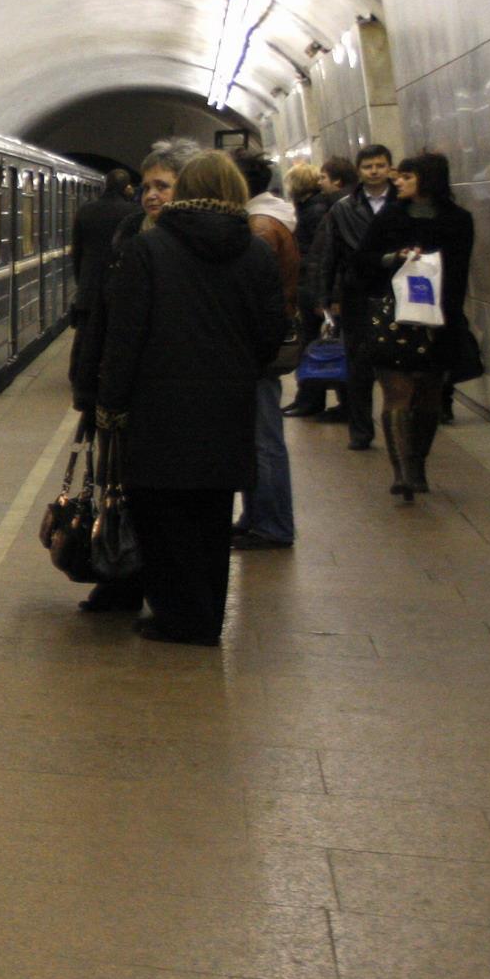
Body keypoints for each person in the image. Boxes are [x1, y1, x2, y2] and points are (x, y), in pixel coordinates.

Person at [96, 151, 285, 644]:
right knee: (211, 515)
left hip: (158, 406)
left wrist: (111, 402)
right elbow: (271, 334)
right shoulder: (258, 252)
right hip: (228, 406)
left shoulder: (151, 250)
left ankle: (174, 616)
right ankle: (205, 618)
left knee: (161, 516)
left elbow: (126, 336)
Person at [69, 140, 196, 615]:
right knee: (114, 485)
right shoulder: (126, 232)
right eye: (147, 186)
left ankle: (154, 581)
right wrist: (88, 386)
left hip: (163, 391)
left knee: (157, 495)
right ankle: (118, 577)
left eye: (163, 186)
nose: (151, 195)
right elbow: (102, 316)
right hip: (116, 387)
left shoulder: (187, 243)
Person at [356, 152, 476, 499]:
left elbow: (459, 275)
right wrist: (393, 259)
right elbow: (363, 260)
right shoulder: (390, 217)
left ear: (428, 180)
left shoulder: (458, 221)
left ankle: (418, 464)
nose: (398, 181)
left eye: (406, 176)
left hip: (438, 319)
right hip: (394, 318)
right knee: (397, 393)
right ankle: (402, 472)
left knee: (427, 397)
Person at [232, 148, 299, 550]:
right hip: (263, 343)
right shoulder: (269, 218)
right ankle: (256, 516)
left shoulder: (259, 228)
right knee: (259, 436)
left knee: (263, 439)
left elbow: (256, 294)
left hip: (257, 348)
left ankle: (272, 524)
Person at [317, 144, 397, 448]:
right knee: (358, 363)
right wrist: (326, 296)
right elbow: (330, 255)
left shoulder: (402, 203)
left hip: (394, 289)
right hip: (358, 292)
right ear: (359, 171)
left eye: (380, 165)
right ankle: (361, 430)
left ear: (389, 168)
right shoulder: (343, 208)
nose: (374, 171)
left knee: (395, 360)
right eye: (368, 166)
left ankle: (398, 424)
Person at [285, 156, 353, 418]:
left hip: (314, 286)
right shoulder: (317, 207)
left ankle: (313, 398)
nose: (320, 181)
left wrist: (322, 295)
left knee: (319, 343)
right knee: (321, 342)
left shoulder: (315, 211)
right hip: (314, 284)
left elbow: (323, 255)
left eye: (323, 177)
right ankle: (312, 397)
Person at [70, 169, 140, 327]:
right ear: (127, 188)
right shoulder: (134, 213)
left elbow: (77, 252)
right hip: (121, 292)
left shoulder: (84, 211)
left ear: (106, 185)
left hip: (89, 291)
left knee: (87, 342)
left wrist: (82, 283)